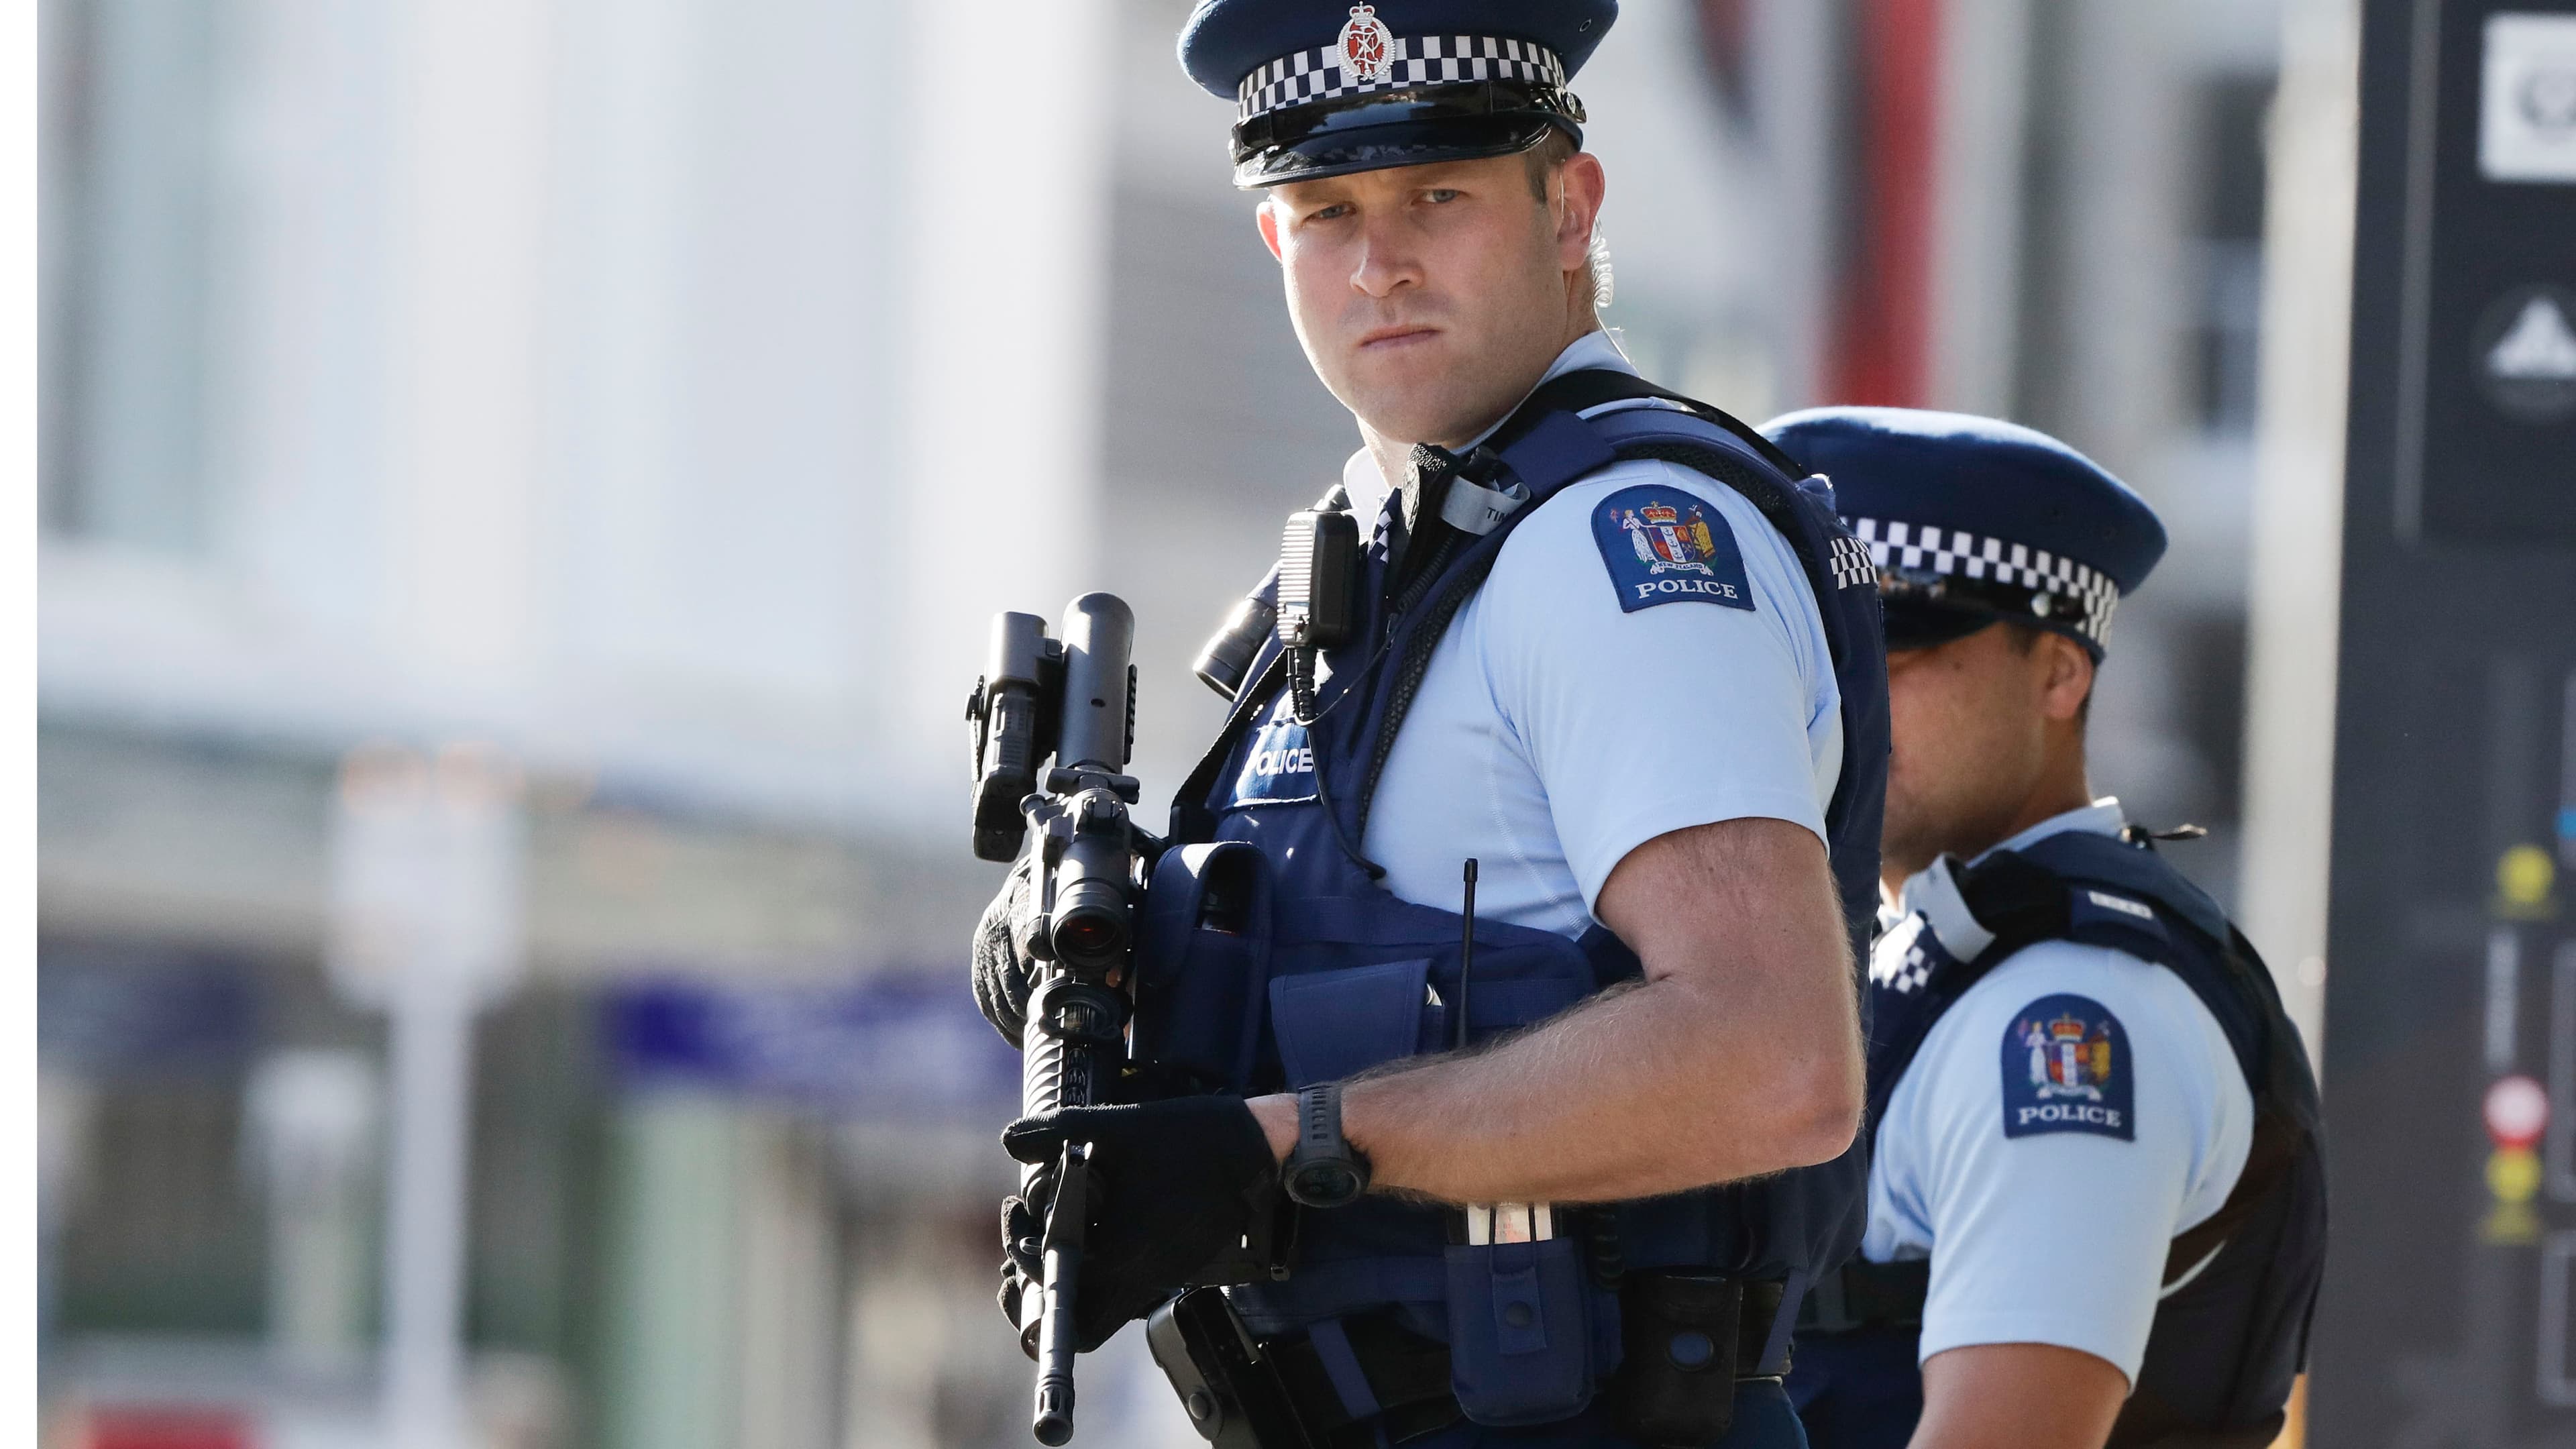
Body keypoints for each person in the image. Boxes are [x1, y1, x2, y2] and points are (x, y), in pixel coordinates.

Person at [970, 2, 1894, 1443]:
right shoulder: (1390, 555)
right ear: (1275, 243)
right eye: (1327, 208)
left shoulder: (1614, 547)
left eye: (1438, 196)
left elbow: (1772, 1056)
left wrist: (1292, 1145)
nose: (1380, 261)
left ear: (1570, 204)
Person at [1760, 408, 2326, 1449]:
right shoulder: (1930, 963)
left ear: (2059, 672)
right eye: (1810, 650)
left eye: (1896, 645)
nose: (1840, 698)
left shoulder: (2063, 1015)